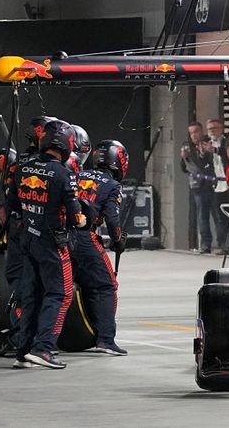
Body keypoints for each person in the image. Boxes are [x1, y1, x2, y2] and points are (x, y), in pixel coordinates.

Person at [7, 119, 85, 369]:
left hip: (27, 239)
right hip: (52, 242)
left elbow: (11, 206)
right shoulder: (64, 174)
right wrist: (82, 221)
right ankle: (44, 348)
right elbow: (76, 216)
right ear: (66, 144)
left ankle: (24, 349)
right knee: (60, 294)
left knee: (31, 295)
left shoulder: (22, 168)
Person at [73, 140, 129, 356]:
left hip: (60, 236)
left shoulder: (77, 174)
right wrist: (117, 240)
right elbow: (112, 218)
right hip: (84, 237)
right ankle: (105, 339)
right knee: (106, 286)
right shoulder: (113, 185)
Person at [180, 122, 219, 254]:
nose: (194, 135)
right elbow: (184, 168)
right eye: (191, 133)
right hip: (197, 187)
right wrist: (184, 158)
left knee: (217, 215)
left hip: (213, 185)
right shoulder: (188, 147)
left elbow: (209, 165)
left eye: (196, 132)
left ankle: (222, 243)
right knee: (202, 216)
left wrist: (203, 154)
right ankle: (205, 245)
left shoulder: (209, 144)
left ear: (202, 132)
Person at [206, 118, 229, 250]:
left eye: (215, 128)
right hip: (216, 185)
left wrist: (215, 150)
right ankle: (222, 243)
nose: (212, 131)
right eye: (210, 129)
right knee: (218, 217)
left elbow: (228, 156)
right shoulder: (206, 144)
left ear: (221, 129)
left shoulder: (226, 142)